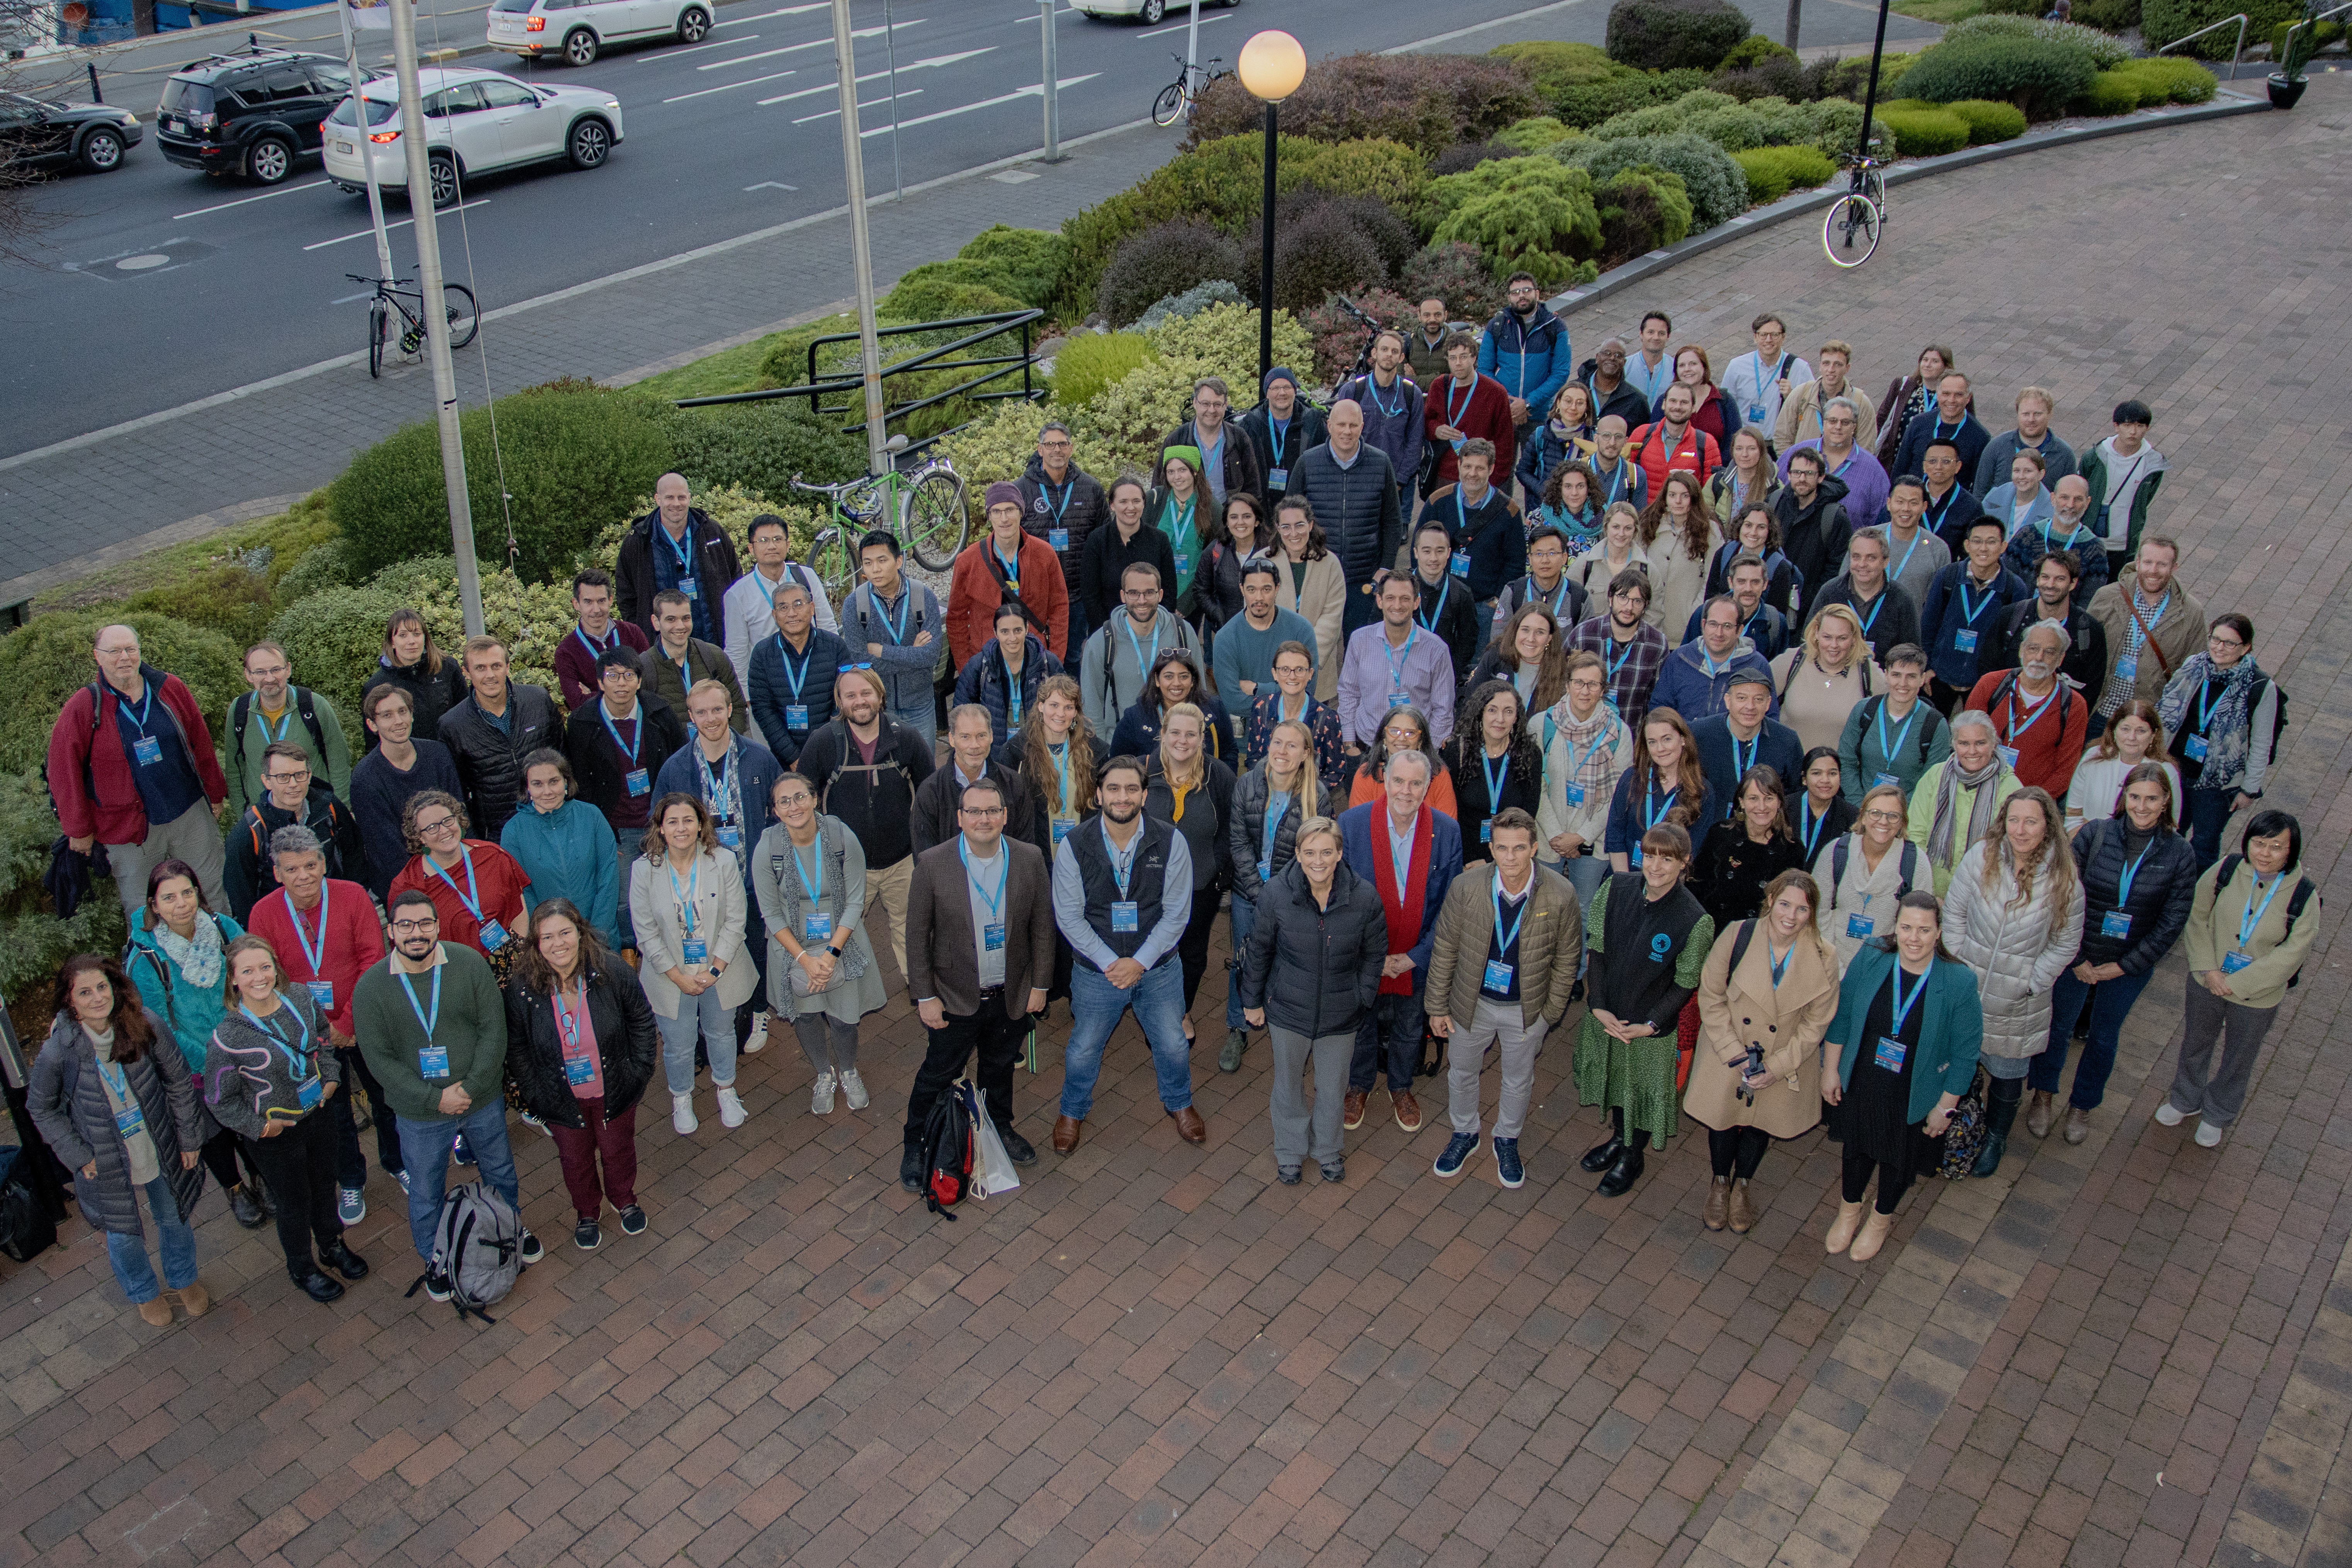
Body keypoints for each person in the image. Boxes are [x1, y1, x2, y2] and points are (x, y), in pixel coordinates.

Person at [353, 890, 542, 1291]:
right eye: (405, 925)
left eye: (424, 923)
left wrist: (471, 1086)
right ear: (392, 931)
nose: (416, 932)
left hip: (481, 1098)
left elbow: (494, 1028)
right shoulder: (371, 988)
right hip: (420, 1112)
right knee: (425, 1189)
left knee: (501, 1171)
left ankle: (510, 1230)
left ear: (438, 926)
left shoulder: (469, 963)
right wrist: (435, 1098)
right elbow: (379, 1059)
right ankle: (435, 1258)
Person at [29, 954, 209, 1327]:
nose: (97, 998)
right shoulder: (59, 1050)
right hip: (104, 1157)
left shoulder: (145, 1023)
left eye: (102, 987)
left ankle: (183, 1279)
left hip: (157, 1143)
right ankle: (144, 1293)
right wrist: (79, 1156)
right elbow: (42, 1108)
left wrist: (189, 1137)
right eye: (84, 992)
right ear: (70, 1001)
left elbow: (177, 1081)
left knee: (173, 1215)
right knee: (123, 1234)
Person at [902, 775, 1054, 1189]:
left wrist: (1040, 985)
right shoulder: (933, 863)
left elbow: (1043, 926)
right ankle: (915, 1142)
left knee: (1000, 1066)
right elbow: (917, 937)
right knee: (938, 1071)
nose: (983, 818)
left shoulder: (1029, 857)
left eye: (991, 810)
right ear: (960, 818)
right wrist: (925, 995)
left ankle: (1000, 1126)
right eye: (974, 811)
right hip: (954, 996)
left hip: (1010, 993)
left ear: (1005, 816)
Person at [2031, 764, 2195, 1144]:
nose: (2142, 805)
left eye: (2152, 798)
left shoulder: (2179, 853)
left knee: (2104, 1037)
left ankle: (2082, 1105)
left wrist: (2124, 966)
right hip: (2079, 955)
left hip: (2128, 966)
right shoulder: (2095, 834)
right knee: (2057, 1027)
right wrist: (2077, 959)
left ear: (2166, 800)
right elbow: (2062, 894)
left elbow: (2173, 920)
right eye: (2135, 796)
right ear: (2124, 796)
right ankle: (2043, 1094)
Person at [1051, 754, 1205, 1151]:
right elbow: (1069, 916)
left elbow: (1177, 914)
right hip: (1096, 971)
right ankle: (1072, 1109)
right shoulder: (1073, 845)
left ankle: (1180, 1102)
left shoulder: (1172, 841)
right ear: (1099, 795)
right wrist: (1111, 963)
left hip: (1158, 968)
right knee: (1084, 1047)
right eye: (1114, 789)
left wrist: (1139, 962)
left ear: (1144, 795)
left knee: (1173, 1042)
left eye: (1132, 789)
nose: (1123, 797)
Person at [1820, 892, 1982, 1260]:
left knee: (1898, 1158)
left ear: (1938, 933)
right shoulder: (1874, 954)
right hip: (1864, 1076)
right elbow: (1843, 1015)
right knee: (1856, 1148)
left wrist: (1946, 1106)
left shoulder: (1958, 982)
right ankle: (1849, 1210)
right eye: (1906, 927)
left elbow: (1965, 1054)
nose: (1914, 938)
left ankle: (1880, 1220)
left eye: (1924, 930)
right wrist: (1830, 1069)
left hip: (1916, 1088)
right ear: (1895, 926)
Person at [1425, 809, 1581, 1189]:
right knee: (1461, 1072)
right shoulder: (1467, 886)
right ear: (1492, 848)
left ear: (1534, 847)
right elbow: (1445, 947)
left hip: (1526, 1010)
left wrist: (1551, 1012)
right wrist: (1436, 1006)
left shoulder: (1561, 894)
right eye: (1502, 848)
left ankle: (1507, 1138)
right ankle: (1466, 1132)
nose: (1510, 857)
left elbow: (1568, 957)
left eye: (1519, 848)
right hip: (1471, 1003)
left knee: (1518, 1079)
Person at [204, 937, 366, 1303]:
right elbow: (219, 1099)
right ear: (233, 980)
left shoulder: (301, 997)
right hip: (276, 1134)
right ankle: (302, 1267)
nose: (259, 977)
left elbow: (322, 1038)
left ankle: (331, 1245)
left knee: (325, 1185)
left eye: (265, 967)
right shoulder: (228, 1037)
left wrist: (330, 1077)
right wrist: (260, 1127)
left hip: (318, 1114)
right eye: (247, 971)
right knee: (294, 1202)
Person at [245, 825, 389, 1224]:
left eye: (311, 865)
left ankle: (396, 1162)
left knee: (385, 1094)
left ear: (324, 863)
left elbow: (372, 958)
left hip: (363, 1019)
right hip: (309, 1034)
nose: (304, 875)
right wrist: (319, 1030)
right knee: (334, 1111)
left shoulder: (352, 895)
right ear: (277, 873)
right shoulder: (264, 913)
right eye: (292, 869)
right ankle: (351, 1180)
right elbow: (268, 977)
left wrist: (346, 1020)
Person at [1942, 787, 2083, 1176]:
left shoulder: (2063, 876)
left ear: (2048, 826)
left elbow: (2066, 941)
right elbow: (1953, 914)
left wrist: (2031, 982)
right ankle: (1956, 1125)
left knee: (2006, 1077)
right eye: (2014, 820)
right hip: (1966, 991)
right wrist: (1957, 967)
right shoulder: (1980, 856)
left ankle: (1995, 1137)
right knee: (1960, 1064)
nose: (2020, 830)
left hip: (2017, 1002)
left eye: (2032, 821)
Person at [1239, 815, 1387, 1184]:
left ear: (1339, 853)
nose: (1318, 861)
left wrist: (1362, 996)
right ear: (1298, 855)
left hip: (1342, 1014)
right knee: (1288, 1085)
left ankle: (1327, 1150)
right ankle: (1289, 1151)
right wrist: (1252, 1002)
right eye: (1310, 853)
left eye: (1326, 852)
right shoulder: (1276, 894)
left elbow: (1374, 953)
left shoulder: (1364, 897)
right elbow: (1259, 950)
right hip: (1288, 1010)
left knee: (1333, 1087)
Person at [1689, 869, 1839, 1233]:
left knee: (1761, 1125)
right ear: (1770, 901)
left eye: (1801, 910)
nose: (1791, 916)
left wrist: (1775, 1067)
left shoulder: (1824, 955)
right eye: (1784, 904)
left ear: (1812, 914)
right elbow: (1710, 995)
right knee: (1723, 1120)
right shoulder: (1738, 935)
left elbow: (1816, 1024)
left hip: (1783, 1058)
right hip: (1730, 1050)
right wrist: (1732, 1052)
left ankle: (1743, 1185)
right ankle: (1720, 1181)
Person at [505, 898, 657, 1250]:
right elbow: (517, 1049)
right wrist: (535, 1093)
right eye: (547, 937)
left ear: (580, 933)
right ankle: (587, 1211)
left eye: (565, 933)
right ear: (536, 943)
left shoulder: (613, 971)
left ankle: (624, 1199)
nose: (558, 944)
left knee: (618, 1149)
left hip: (614, 1086)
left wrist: (639, 1070)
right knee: (574, 1159)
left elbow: (642, 1022)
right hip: (560, 1097)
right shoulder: (522, 989)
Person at [48, 624, 230, 916]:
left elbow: (202, 742)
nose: (125, 657)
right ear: (97, 656)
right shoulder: (84, 706)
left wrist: (215, 793)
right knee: (142, 909)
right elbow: (63, 772)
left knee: (211, 892)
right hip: (128, 827)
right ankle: (153, 962)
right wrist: (78, 829)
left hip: (189, 812)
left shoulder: (169, 688)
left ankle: (225, 954)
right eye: (114, 651)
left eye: (131, 649)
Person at [2162, 811, 2318, 1147]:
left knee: (2239, 1058)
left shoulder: (2303, 895)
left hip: (2256, 997)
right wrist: (2208, 969)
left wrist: (2237, 983)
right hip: (2207, 981)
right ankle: (2185, 1100)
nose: (2264, 853)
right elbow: (2197, 917)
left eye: (2276, 846)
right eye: (2258, 843)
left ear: (2291, 851)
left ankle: (2217, 1113)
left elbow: (2292, 954)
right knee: (2195, 1043)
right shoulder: (2225, 871)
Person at [1576, 823, 1713, 1197]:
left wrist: (1652, 1025)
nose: (1655, 866)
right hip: (1609, 1015)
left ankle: (1632, 1155)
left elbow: (1686, 982)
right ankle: (1619, 1139)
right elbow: (1598, 948)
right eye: (1650, 855)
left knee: (1640, 1089)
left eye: (1667, 859)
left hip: (1650, 1029)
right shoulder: (1616, 887)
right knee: (1618, 1081)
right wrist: (1598, 1004)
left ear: (1685, 862)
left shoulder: (1696, 920)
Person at [124, 863, 262, 1228]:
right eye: (168, 898)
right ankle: (235, 1188)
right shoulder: (147, 959)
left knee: (251, 1117)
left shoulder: (223, 929)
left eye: (188, 893)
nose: (181, 904)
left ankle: (261, 1176)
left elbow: (252, 979)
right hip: (191, 1064)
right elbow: (160, 1027)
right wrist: (215, 1058)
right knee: (213, 1131)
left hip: (242, 1044)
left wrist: (244, 1041)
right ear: (154, 905)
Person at [1338, 749, 1464, 1134]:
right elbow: (1341, 898)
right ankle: (1359, 1085)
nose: (1406, 791)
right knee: (1361, 1022)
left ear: (1428, 787)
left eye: (1415, 783)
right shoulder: (1351, 823)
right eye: (1398, 781)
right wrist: (1374, 958)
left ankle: (1401, 1086)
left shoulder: (1446, 830)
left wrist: (1414, 957)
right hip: (1365, 953)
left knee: (1411, 1025)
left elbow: (1450, 905)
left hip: (1418, 954)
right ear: (1384, 780)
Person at [753, 770, 891, 1119]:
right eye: (784, 801)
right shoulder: (767, 849)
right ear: (775, 811)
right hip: (792, 948)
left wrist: (829, 955)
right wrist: (804, 959)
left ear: (815, 799)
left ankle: (848, 1070)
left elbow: (856, 902)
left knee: (845, 1020)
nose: (793, 806)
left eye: (800, 796)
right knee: (806, 1017)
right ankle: (823, 1073)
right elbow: (770, 912)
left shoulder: (840, 837)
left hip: (842, 942)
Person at [655, 679, 786, 1045]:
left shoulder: (759, 758)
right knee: (711, 944)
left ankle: (759, 1010)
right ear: (690, 717)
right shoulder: (676, 769)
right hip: (701, 883)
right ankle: (715, 1015)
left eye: (717, 709)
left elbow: (781, 816)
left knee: (755, 944)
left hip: (751, 876)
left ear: (731, 710)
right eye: (701, 712)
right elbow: (660, 822)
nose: (710, 718)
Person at [793, 667, 934, 982]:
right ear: (839, 702)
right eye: (851, 696)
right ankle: (847, 1000)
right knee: (843, 936)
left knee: (912, 932)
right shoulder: (822, 743)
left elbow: (931, 796)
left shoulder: (906, 738)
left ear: (880, 696)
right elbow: (801, 796)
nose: (860, 701)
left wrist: (924, 850)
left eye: (866, 693)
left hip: (902, 862)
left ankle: (923, 994)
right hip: (846, 867)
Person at [631, 792, 754, 1134]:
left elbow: (735, 921)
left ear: (702, 826)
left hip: (719, 968)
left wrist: (713, 970)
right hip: (669, 974)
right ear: (660, 828)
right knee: (678, 1043)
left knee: (721, 1032)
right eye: (672, 822)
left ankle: (726, 1090)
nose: (681, 828)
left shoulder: (724, 862)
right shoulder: (643, 870)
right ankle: (681, 1097)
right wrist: (677, 977)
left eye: (688, 820)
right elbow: (645, 933)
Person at [565, 648, 690, 928]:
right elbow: (579, 785)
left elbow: (680, 764)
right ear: (600, 682)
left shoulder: (659, 712)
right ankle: (629, 955)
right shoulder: (582, 723)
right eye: (613, 676)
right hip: (616, 831)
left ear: (639, 680)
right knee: (623, 901)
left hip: (659, 824)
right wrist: (601, 832)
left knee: (670, 894)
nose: (621, 683)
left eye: (629, 675)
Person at [1224, 718, 1321, 1070]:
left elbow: (1317, 854)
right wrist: (1257, 892)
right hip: (1246, 892)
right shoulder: (1247, 784)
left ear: (1305, 754)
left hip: (1292, 894)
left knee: (1290, 960)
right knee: (1243, 958)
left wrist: (1279, 895)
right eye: (1277, 742)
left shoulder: (1317, 796)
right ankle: (1237, 1026)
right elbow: (1238, 843)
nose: (1282, 751)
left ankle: (1286, 1023)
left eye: (1292, 745)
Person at [2158, 612, 2279, 868]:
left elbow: (2260, 743)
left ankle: (2197, 898)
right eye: (2215, 639)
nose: (2219, 648)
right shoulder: (2193, 666)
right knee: (2168, 835)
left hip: (2218, 783)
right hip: (2176, 769)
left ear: (2246, 648)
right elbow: (2167, 715)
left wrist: (2249, 789)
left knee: (2204, 843)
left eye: (2229, 643)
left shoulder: (2259, 686)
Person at [723, 514, 843, 742]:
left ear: (788, 544)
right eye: (764, 541)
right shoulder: (738, 595)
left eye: (778, 539)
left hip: (814, 677)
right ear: (751, 548)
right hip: (770, 689)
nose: (772, 546)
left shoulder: (806, 577)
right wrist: (748, 699)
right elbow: (737, 651)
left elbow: (827, 625)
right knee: (774, 756)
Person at [437, 636, 563, 843]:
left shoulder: (538, 700)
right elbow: (457, 791)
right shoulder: (453, 725)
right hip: (498, 835)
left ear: (507, 667)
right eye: (480, 668)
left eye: (496, 666)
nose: (490, 675)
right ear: (467, 672)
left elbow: (563, 758)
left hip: (553, 820)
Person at [222, 743, 363, 922]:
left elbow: (355, 856)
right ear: (266, 781)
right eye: (283, 777)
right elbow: (241, 896)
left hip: (335, 912)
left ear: (310, 776)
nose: (294, 784)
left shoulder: (329, 807)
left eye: (300, 775)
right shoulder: (249, 832)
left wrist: (352, 904)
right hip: (283, 923)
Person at [348, 685, 465, 899]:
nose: (399, 721)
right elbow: (387, 851)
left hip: (456, 864)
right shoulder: (365, 779)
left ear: (412, 715)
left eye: (403, 712)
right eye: (387, 715)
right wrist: (436, 870)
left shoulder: (437, 754)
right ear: (373, 725)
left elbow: (459, 815)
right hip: (406, 884)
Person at [501, 751, 622, 951]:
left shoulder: (592, 816)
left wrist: (598, 933)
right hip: (551, 944)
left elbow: (608, 876)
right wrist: (548, 936)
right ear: (527, 788)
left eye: (554, 781)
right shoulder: (513, 831)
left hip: (600, 936)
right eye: (538, 784)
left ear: (566, 782)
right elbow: (523, 893)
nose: (547, 791)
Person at [1538, 652, 1632, 905]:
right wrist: (1557, 835)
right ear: (1567, 684)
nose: (1584, 691)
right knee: (1544, 909)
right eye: (1578, 682)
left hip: (1594, 841)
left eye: (1593, 684)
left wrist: (1580, 836)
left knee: (1584, 911)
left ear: (1603, 690)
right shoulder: (1542, 725)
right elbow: (1535, 787)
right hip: (1548, 838)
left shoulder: (1619, 733)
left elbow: (1618, 793)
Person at [223, 640, 353, 824]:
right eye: (260, 672)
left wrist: (341, 811)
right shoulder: (239, 711)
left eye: (276, 670)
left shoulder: (314, 706)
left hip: (315, 813)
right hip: (264, 817)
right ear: (248, 675)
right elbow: (235, 769)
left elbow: (339, 762)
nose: (269, 678)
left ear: (288, 670)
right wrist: (243, 816)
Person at [2088, 536, 2204, 732]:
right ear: (2138, 562)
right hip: (2101, 713)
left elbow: (2194, 672)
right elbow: (2084, 649)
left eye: (2162, 565)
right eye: (2148, 563)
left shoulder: (2191, 612)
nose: (2153, 571)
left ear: (2175, 567)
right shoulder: (2107, 596)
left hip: (2148, 722)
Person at [1966, 621, 2090, 798]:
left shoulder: (2074, 705)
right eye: (2033, 648)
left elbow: (2065, 770)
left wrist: (2032, 802)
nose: (2039, 657)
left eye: (2049, 652)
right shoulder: (1990, 684)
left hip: (2031, 803)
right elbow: (1965, 741)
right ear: (2022, 650)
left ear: (2061, 658)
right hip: (1978, 791)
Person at [1078, 563, 1202, 738]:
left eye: (1149, 593)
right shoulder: (1102, 642)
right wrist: (1103, 753)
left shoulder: (1183, 632)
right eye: (1134, 593)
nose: (1142, 601)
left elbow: (1200, 693)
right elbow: (1091, 708)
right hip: (1124, 747)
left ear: (1160, 595)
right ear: (1123, 596)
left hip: (1177, 744)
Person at [616, 472, 741, 645]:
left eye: (682, 497)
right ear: (658, 499)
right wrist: (643, 634)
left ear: (689, 498)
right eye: (670, 498)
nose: (676, 504)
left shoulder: (713, 533)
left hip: (715, 643)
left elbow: (735, 578)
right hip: (662, 650)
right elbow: (626, 596)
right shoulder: (638, 541)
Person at [952, 481, 1070, 666]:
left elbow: (1059, 609)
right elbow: (956, 619)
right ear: (989, 516)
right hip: (988, 661)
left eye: (1010, 510)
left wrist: (1055, 660)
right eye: (996, 512)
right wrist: (967, 668)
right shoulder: (968, 561)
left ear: (1021, 512)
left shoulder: (1045, 554)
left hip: (1035, 657)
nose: (1004, 518)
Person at [1019, 420, 1112, 650]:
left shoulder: (1091, 488)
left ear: (1071, 448)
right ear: (1040, 449)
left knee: (1072, 656)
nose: (1057, 450)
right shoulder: (1021, 489)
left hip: (1077, 594)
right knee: (1036, 654)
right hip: (1036, 594)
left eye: (1063, 444)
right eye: (1050, 444)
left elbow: (1104, 539)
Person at [1920, 517, 2031, 709]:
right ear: (1967, 545)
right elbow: (1929, 625)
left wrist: (2001, 680)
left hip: (1986, 683)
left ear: (2004, 546)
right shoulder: (1948, 577)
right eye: (1977, 541)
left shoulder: (2015, 588)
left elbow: (2017, 642)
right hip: (1939, 677)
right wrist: (1927, 667)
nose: (1983, 548)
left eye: (1991, 542)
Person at [1339, 570, 1459, 747]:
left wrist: (1426, 754)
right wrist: (1349, 744)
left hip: (1414, 749)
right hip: (1368, 744)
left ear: (1416, 602)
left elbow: (1443, 709)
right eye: (1390, 598)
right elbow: (1349, 693)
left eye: (1405, 599)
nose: (1397, 605)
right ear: (1379, 601)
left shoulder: (1437, 650)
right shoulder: (1359, 641)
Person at [1907, 711, 2022, 896]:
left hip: (1983, 891)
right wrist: (1925, 889)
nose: (1972, 751)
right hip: (1931, 887)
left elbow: (2012, 846)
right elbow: (1915, 834)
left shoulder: (2010, 787)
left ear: (1994, 744)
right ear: (1954, 745)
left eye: (1980, 743)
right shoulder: (1935, 776)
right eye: (1964, 743)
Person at [747, 574, 852, 769]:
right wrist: (793, 758)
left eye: (798, 604)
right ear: (774, 615)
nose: (792, 613)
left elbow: (845, 699)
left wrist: (826, 747)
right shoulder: (762, 654)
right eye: (783, 608)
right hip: (785, 759)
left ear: (812, 609)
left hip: (834, 751)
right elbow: (763, 710)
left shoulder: (835, 646)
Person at [1432, 439, 1525, 655]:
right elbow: (1419, 548)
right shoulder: (1438, 501)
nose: (1472, 474)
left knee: (1477, 669)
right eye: (1468, 466)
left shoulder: (1508, 510)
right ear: (1459, 466)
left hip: (1485, 607)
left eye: (1480, 468)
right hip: (1443, 601)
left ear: (1491, 469)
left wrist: (1497, 601)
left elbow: (1515, 562)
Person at [915, 703, 1042, 857]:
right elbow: (926, 860)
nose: (974, 745)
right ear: (952, 739)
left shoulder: (1014, 784)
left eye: (981, 736)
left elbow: (1025, 850)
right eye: (965, 737)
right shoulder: (931, 792)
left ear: (991, 736)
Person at [1820, 784, 1923, 973]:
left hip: (1885, 969)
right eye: (1875, 813)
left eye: (1893, 816)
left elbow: (1918, 924)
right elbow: (1819, 913)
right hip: (1829, 963)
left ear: (1903, 822)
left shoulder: (1916, 862)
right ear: (1863, 816)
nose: (1883, 822)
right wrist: (1834, 965)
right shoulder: (1836, 852)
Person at [1691, 766, 1808, 927]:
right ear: (1742, 802)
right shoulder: (1720, 835)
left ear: (1779, 802)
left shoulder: (1792, 849)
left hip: (1759, 938)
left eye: (1769, 798)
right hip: (1715, 933)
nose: (1761, 807)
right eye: (1754, 798)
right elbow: (1697, 886)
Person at [1990, 551, 2108, 707]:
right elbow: (1989, 668)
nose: (2050, 585)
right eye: (2045, 577)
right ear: (2038, 580)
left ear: (2073, 583)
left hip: (2056, 720)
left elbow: (2091, 689)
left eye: (2060, 579)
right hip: (2007, 710)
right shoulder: (2010, 617)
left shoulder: (2090, 631)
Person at [1837, 643, 1949, 805]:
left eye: (1911, 676)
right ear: (1886, 675)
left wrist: (1898, 812)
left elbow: (1933, 781)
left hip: (1909, 815)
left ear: (1922, 679)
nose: (1903, 684)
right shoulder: (1864, 711)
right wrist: (1859, 805)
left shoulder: (1936, 724)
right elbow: (1846, 760)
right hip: (1860, 809)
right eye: (1897, 675)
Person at [1445, 681, 1543, 866]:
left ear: (1517, 717)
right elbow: (1452, 815)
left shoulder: (1530, 755)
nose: (1500, 719)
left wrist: (1491, 860)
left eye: (1508, 711)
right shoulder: (1457, 751)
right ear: (1480, 712)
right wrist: (1470, 859)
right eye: (1492, 710)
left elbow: (1527, 816)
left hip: (1510, 857)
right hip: (1463, 854)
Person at [1606, 708, 1713, 871]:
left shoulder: (1702, 791)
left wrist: (1659, 885)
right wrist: (1626, 884)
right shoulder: (1632, 778)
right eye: (1653, 742)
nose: (1660, 748)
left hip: (1667, 884)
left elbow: (1691, 852)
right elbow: (1615, 835)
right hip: (1624, 876)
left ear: (1683, 739)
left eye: (1667, 739)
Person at [1335, 332, 1426, 519]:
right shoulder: (1353, 390)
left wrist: (1401, 480)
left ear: (1401, 358)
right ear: (1374, 354)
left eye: (1395, 351)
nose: (1389, 355)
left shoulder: (1412, 394)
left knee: (1394, 541)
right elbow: (1338, 438)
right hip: (1358, 481)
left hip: (1399, 485)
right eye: (1384, 350)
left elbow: (1416, 442)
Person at [1078, 476, 1180, 639]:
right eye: (1123, 502)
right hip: (1109, 631)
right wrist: (1107, 631)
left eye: (1136, 501)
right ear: (1112, 505)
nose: (1130, 507)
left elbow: (1168, 592)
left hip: (1152, 632)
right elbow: (1091, 595)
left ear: (1144, 503)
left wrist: (1157, 628)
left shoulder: (1159, 540)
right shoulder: (1097, 540)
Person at [1242, 639, 1347, 796]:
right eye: (1285, 669)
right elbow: (1254, 758)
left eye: (1299, 670)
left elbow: (1336, 772)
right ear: (1275, 674)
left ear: (1310, 674)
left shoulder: (1327, 718)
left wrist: (1303, 794)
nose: (1292, 676)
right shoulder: (1261, 706)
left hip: (1308, 802)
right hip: (1267, 796)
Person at [1692, 669, 1804, 816]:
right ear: (1728, 701)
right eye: (1742, 698)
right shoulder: (1699, 734)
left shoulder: (1787, 741)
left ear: (1768, 703)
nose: (1750, 707)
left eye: (1758, 700)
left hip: (1764, 830)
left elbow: (1794, 794)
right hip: (1709, 829)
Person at [954, 599, 1065, 747]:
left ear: (1027, 629)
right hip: (996, 750)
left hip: (1038, 747)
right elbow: (961, 712)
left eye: (1018, 630)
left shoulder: (1047, 662)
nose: (1012, 638)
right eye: (1005, 632)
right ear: (995, 633)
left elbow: (1067, 701)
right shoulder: (979, 665)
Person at [1568, 570, 1669, 731]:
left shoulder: (1657, 645)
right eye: (1623, 598)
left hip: (1631, 738)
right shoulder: (1583, 635)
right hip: (1582, 733)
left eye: (1637, 601)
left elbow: (1656, 702)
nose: (1629, 607)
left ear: (1646, 606)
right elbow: (1562, 684)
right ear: (1610, 599)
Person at [637, 589, 748, 735]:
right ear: (656, 622)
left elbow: (738, 706)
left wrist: (727, 744)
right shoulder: (644, 667)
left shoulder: (713, 656)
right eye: (671, 620)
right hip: (675, 755)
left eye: (686, 618)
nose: (680, 626)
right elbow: (643, 723)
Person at [2078, 399, 2167, 582]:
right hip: (2087, 536)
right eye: (2127, 425)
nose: (2133, 432)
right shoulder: (2096, 456)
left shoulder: (2153, 464)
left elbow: (2146, 499)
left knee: (2114, 590)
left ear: (2147, 428)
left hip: (2123, 543)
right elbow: (2080, 487)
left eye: (2140, 426)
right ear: (2116, 426)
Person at [1780, 399, 1889, 545]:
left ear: (1854, 427)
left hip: (1846, 556)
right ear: (1823, 423)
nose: (1838, 427)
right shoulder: (1795, 454)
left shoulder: (1873, 471)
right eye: (1832, 421)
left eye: (1845, 423)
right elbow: (1775, 495)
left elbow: (1881, 522)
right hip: (1792, 548)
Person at [1651, 594, 1773, 724]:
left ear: (1739, 630)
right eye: (1713, 624)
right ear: (1703, 625)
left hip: (1732, 744)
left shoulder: (1757, 666)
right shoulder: (1680, 659)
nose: (1719, 633)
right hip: (1684, 742)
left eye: (1727, 626)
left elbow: (1770, 717)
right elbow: (1660, 709)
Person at [1479, 272, 1573, 440]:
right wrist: (1509, 403)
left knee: (1536, 464)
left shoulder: (1555, 327)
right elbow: (1484, 370)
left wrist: (1528, 404)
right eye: (1515, 293)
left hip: (1540, 414)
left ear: (1537, 294)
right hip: (1503, 411)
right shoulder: (1496, 326)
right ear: (1509, 298)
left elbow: (1561, 373)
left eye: (1527, 290)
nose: (1521, 295)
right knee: (1501, 465)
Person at [1213, 558, 1316, 712]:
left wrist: (1257, 689)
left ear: (1277, 588)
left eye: (1266, 590)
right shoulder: (1225, 638)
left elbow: (1307, 689)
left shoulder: (1301, 629)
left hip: (1291, 727)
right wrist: (1283, 691)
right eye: (1252, 590)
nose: (1259, 598)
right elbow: (1234, 703)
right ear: (1242, 590)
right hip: (1245, 731)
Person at [1270, 497, 1346, 699]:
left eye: (1300, 525)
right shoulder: (1262, 562)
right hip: (1274, 672)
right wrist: (1284, 664)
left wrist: (1304, 661)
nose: (1293, 534)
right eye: (1286, 527)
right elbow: (1256, 615)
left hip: (1317, 672)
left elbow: (1332, 616)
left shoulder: (1330, 564)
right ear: (1278, 528)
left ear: (1311, 525)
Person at [2064, 699, 2184, 829]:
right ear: (2114, 730)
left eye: (2141, 731)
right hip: (2090, 843)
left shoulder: (2166, 772)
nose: (2132, 737)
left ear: (2153, 736)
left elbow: (2170, 826)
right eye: (2125, 729)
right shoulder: (2094, 757)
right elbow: (2073, 814)